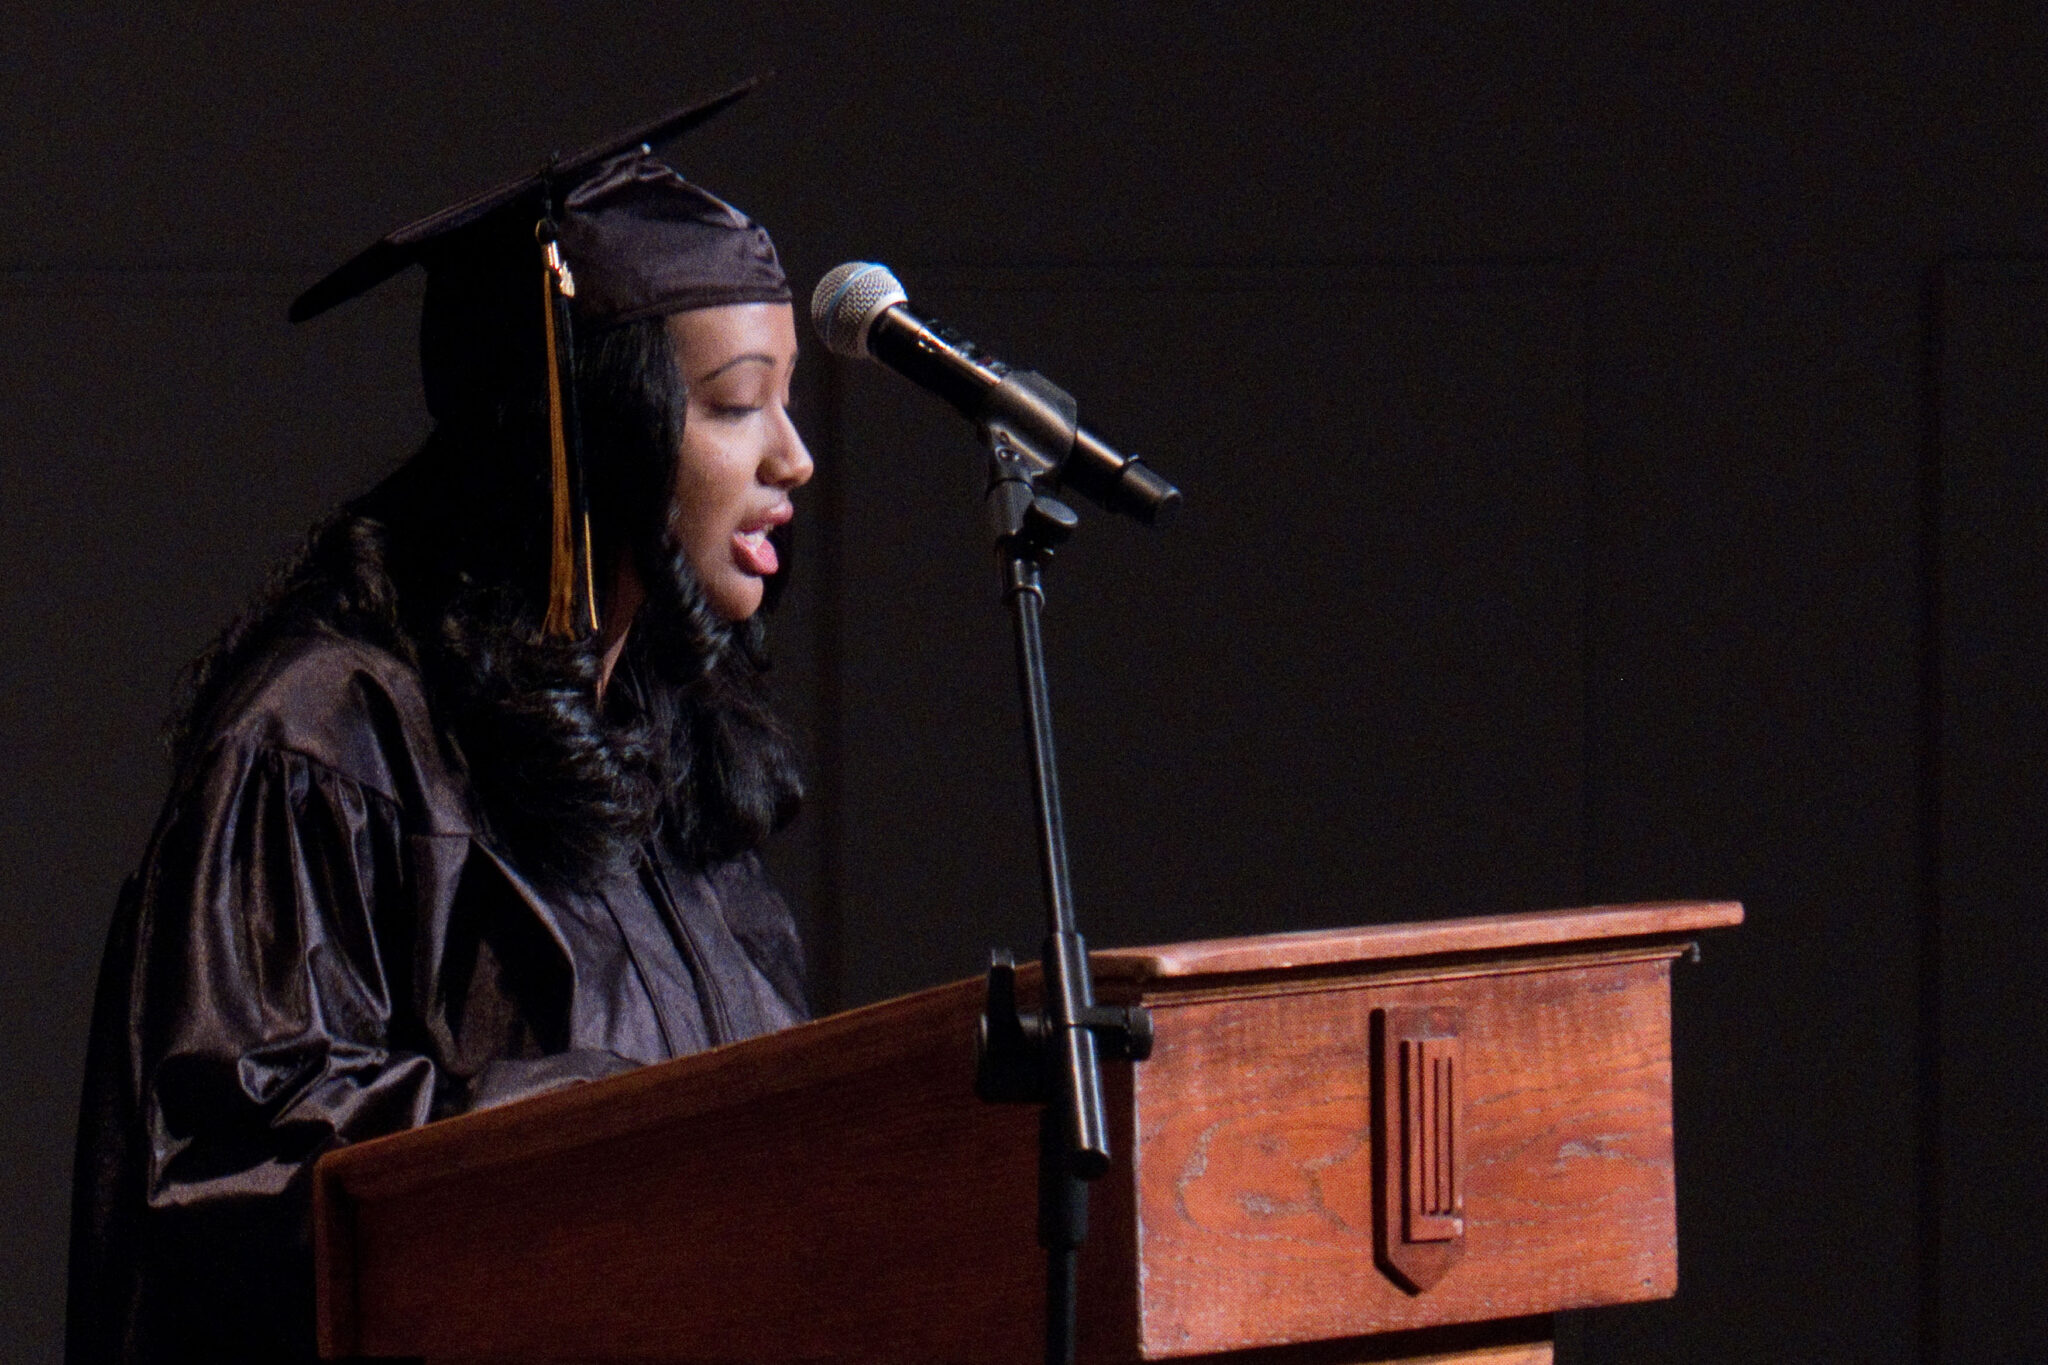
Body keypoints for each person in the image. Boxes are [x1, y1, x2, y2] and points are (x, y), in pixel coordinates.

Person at [65, 87, 814, 1363]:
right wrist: (618, 1128)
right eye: (736, 404)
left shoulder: (667, 763)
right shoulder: (329, 735)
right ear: (588, 423)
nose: (792, 456)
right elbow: (234, 1161)